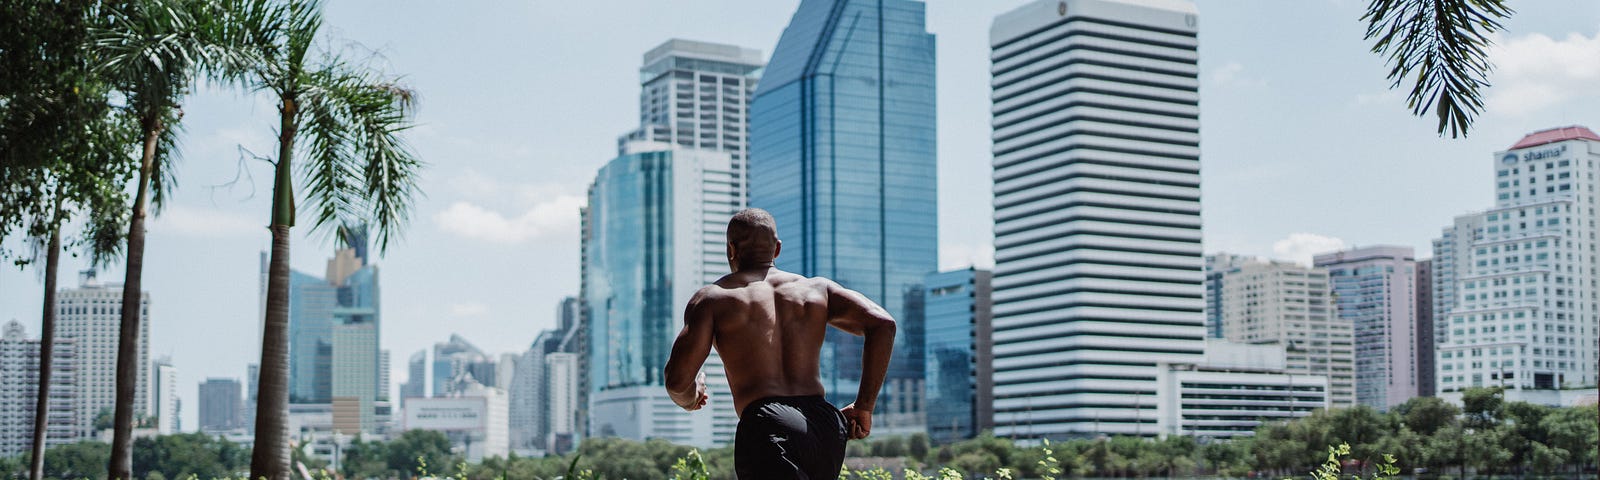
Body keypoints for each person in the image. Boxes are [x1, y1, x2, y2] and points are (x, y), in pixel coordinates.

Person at [664, 208, 897, 480]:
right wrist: (864, 407)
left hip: (768, 423)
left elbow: (677, 381)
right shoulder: (817, 289)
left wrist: (693, 396)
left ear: (731, 250)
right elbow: (883, 324)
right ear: (777, 249)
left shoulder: (714, 299)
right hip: (824, 425)